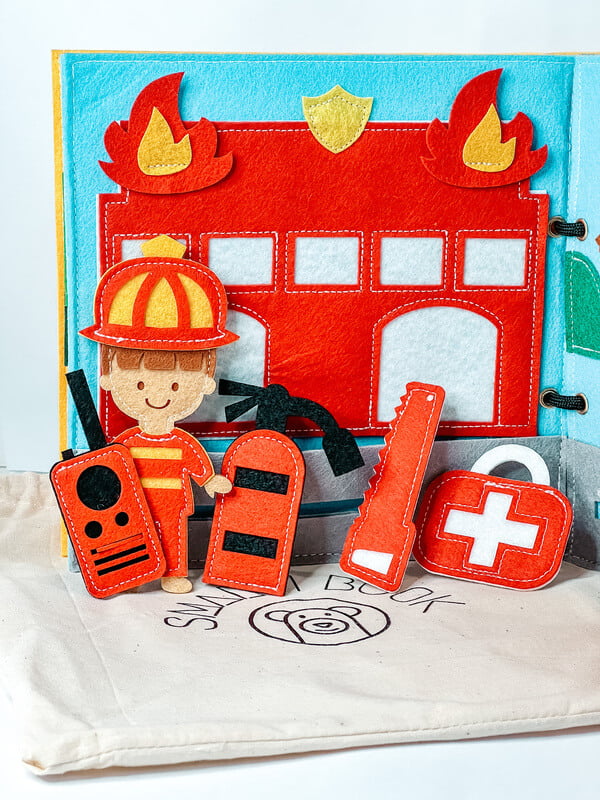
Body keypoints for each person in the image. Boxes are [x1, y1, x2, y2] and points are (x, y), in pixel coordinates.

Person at [80, 235, 238, 593]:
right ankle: (134, 572)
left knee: (171, 535)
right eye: (139, 384)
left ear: (205, 377)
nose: (157, 395)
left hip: (173, 502)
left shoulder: (181, 442)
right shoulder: (126, 441)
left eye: (176, 385)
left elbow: (195, 461)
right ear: (109, 374)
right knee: (134, 533)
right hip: (132, 501)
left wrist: (208, 481)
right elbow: (114, 467)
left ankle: (173, 572)